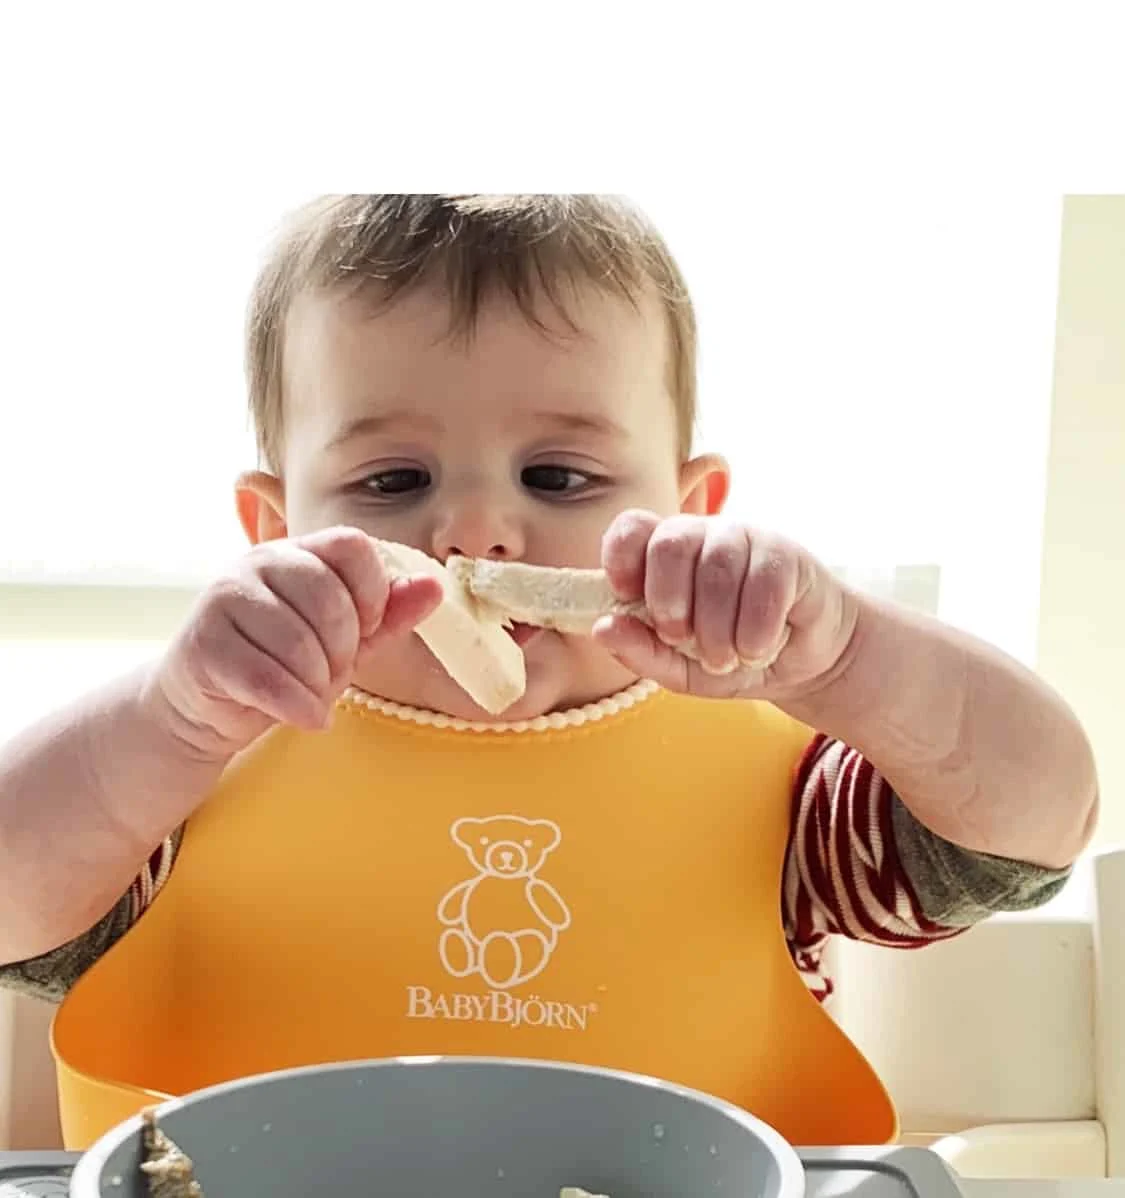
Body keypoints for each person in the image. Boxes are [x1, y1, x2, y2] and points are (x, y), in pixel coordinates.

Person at [0, 195, 1096, 1150]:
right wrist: (169, 714)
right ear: (274, 529)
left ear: (686, 513)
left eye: (559, 474)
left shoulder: (780, 788)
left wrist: (852, 654)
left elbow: (1028, 833)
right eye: (392, 479)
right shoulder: (194, 761)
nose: (477, 530)